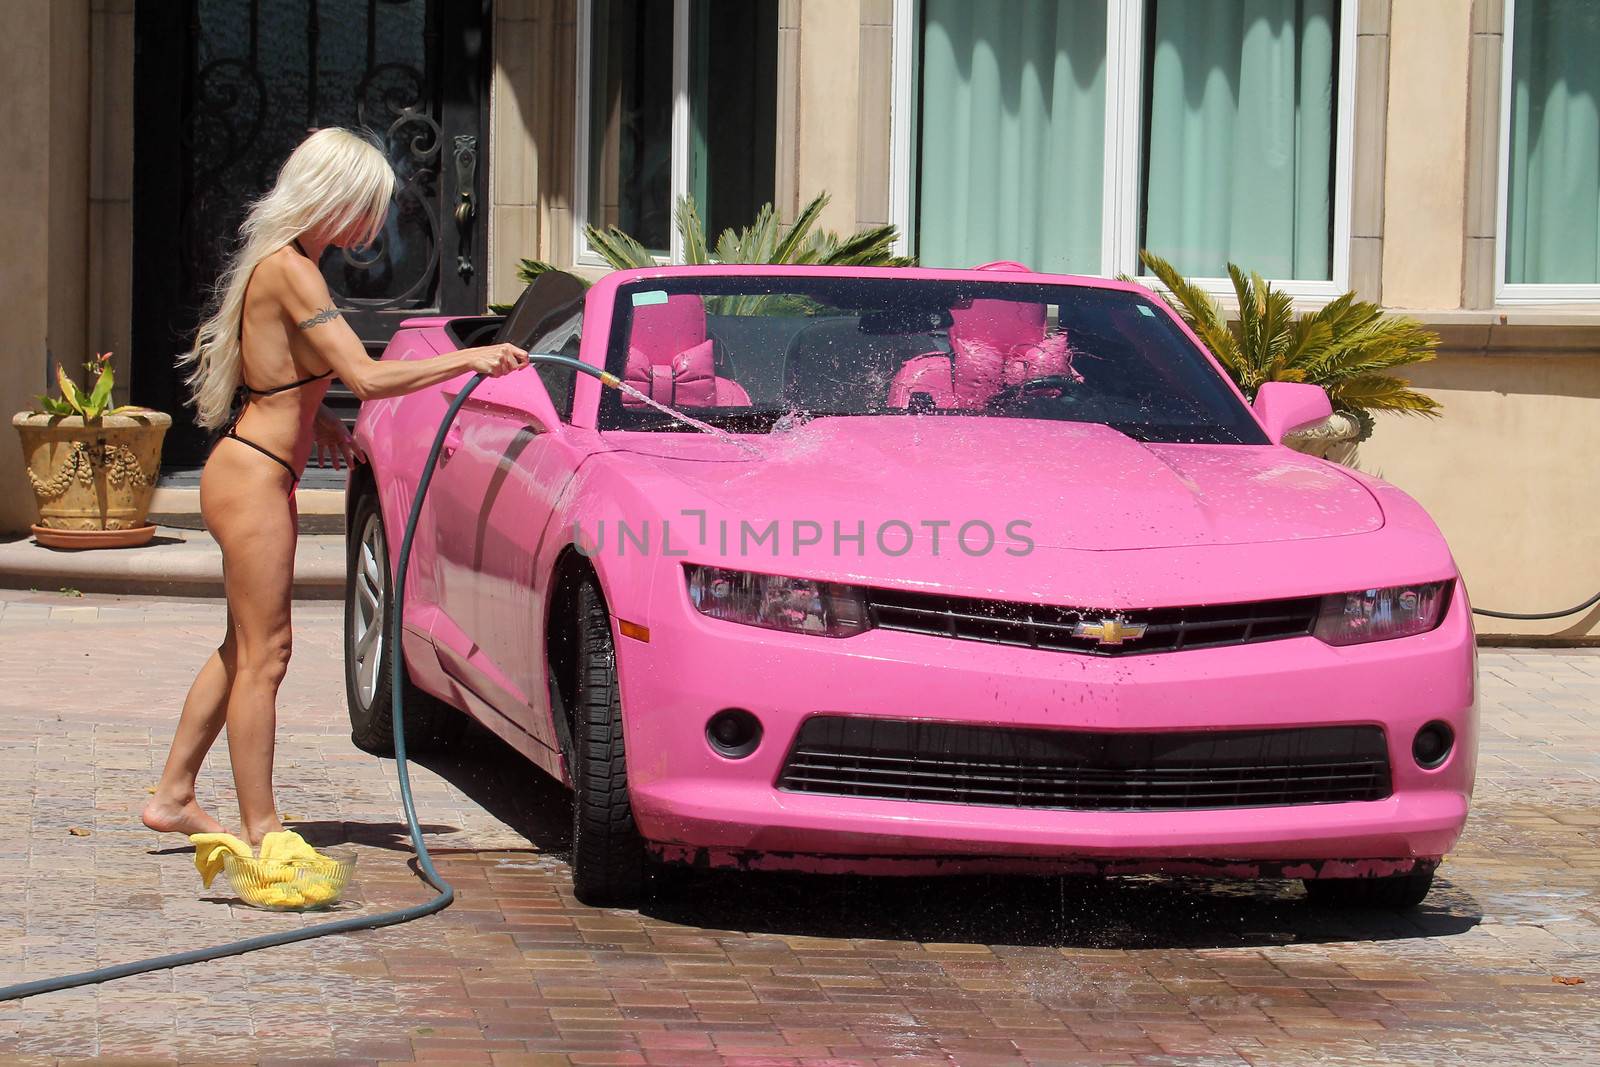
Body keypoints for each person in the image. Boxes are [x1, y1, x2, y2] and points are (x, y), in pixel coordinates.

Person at [141, 127, 528, 846]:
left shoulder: (290, 265)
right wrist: (468, 361)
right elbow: (367, 376)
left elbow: (284, 367)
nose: (375, 226)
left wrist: (313, 421)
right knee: (269, 654)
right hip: (252, 479)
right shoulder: (293, 269)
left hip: (259, 469)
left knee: (242, 648)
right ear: (334, 197)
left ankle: (174, 794)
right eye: (369, 208)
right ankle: (265, 831)